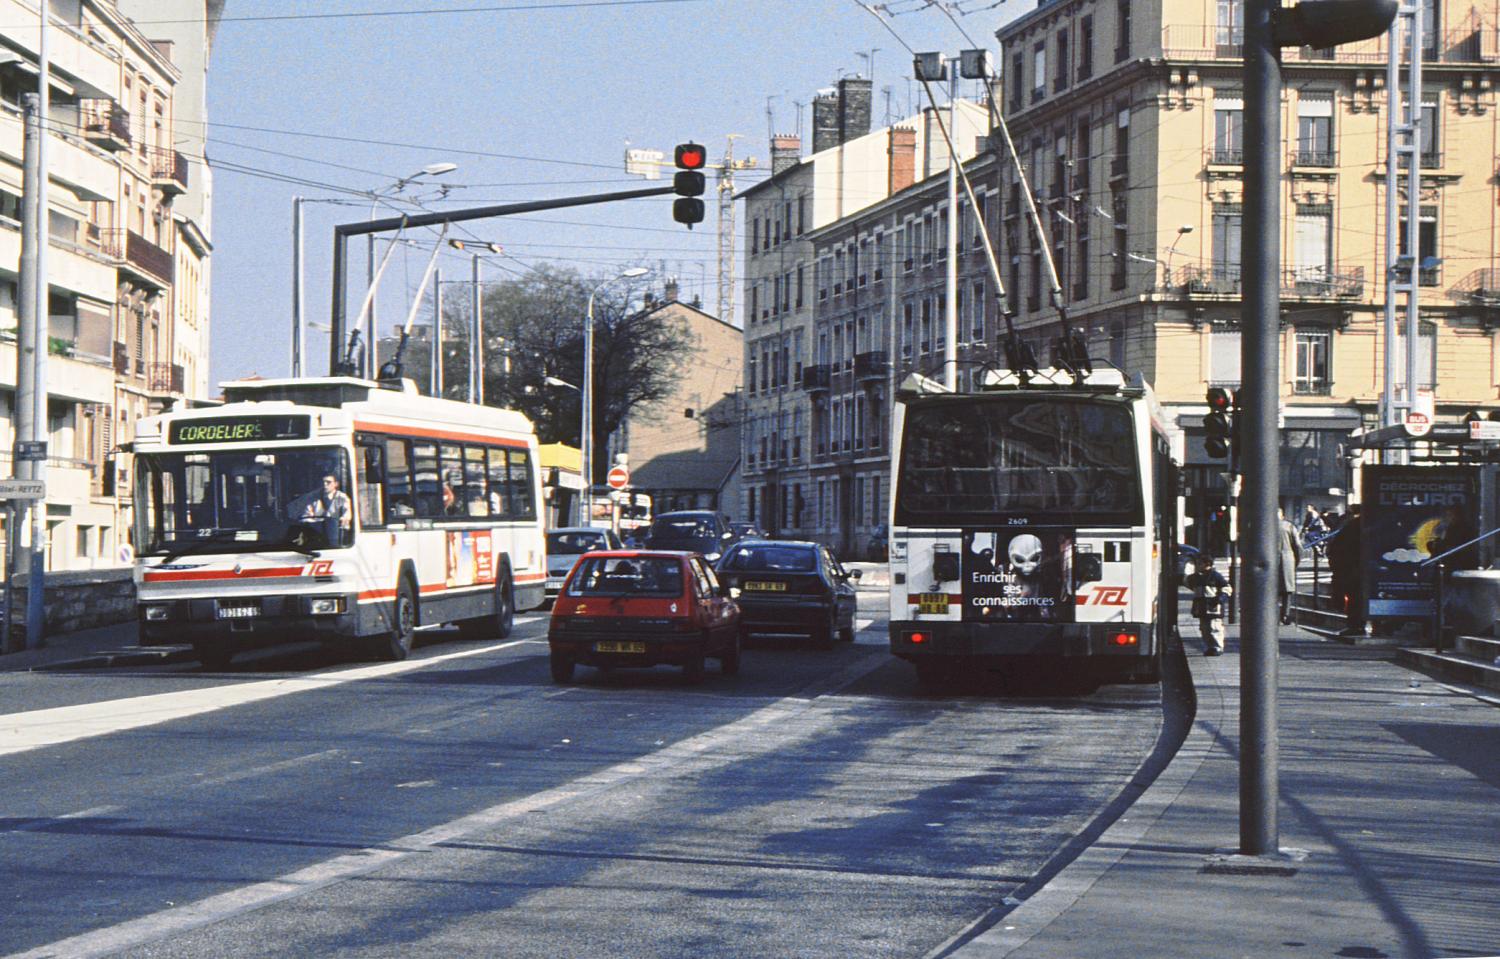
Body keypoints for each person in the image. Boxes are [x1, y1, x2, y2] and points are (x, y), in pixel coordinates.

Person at [1186, 553, 1231, 656]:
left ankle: (1217, 647)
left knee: (1214, 626)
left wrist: (1220, 598)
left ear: (1207, 564)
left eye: (1199, 564)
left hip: (1213, 605)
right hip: (1201, 605)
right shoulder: (1197, 577)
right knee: (1204, 628)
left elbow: (1226, 587)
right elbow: (1189, 583)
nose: (1197, 566)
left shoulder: (1215, 576)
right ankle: (1210, 646)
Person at [290, 474, 352, 544]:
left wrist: (343, 520)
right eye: (323, 482)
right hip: (315, 535)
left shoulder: (342, 498)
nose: (325, 484)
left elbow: (347, 515)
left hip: (335, 537)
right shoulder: (312, 497)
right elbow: (305, 517)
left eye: (328, 482)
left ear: (336, 484)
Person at [1278, 507, 1303, 625]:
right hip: (1287, 559)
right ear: (1282, 515)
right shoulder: (1289, 526)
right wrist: (1297, 560)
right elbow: (1298, 546)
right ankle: (1285, 615)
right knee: (1287, 591)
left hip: (1270, 561)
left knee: (1272, 590)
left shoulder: (1266, 526)